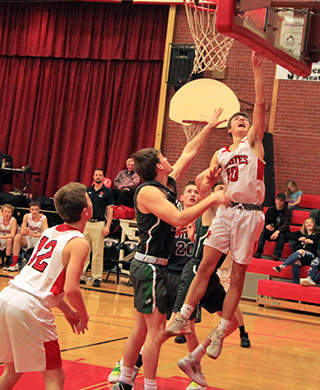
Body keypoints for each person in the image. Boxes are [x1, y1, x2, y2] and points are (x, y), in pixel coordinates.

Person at [112, 111, 229, 390]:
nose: (169, 159)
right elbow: (179, 219)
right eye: (164, 157)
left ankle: (124, 380)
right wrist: (212, 196)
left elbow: (190, 150)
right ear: (158, 166)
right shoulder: (148, 192)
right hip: (150, 266)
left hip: (155, 265)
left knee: (142, 329)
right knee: (154, 332)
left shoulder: (166, 182)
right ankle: (149, 385)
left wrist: (209, 128)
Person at [166, 51, 266, 361]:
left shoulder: (254, 143)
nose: (242, 120)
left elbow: (261, 106)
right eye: (238, 119)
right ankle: (184, 313)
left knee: (236, 277)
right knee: (205, 267)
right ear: (228, 128)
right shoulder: (221, 154)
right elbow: (205, 184)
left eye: (245, 120)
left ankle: (221, 330)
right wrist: (208, 179)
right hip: (225, 212)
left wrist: (256, 70)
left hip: (250, 214)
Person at [0, 182, 91, 390]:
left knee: (12, 370)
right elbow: (71, 289)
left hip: (8, 296)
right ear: (86, 211)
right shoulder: (78, 242)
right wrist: (83, 314)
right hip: (30, 307)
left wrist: (67, 311)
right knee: (54, 377)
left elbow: (43, 279)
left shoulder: (50, 231)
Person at [80, 169, 114, 288]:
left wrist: (108, 225)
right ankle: (82, 276)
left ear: (103, 177)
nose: (98, 176)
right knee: (84, 251)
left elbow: (110, 210)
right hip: (87, 223)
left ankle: (97, 277)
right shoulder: (87, 190)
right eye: (96, 174)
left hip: (99, 223)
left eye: (100, 175)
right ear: (93, 176)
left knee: (97, 253)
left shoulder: (107, 192)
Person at [273, 217, 319, 283]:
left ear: (314, 225)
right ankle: (296, 283)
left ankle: (282, 266)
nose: (309, 224)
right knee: (296, 261)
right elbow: (288, 235)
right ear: (304, 225)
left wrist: (313, 242)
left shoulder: (317, 234)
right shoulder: (301, 234)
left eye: (311, 222)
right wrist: (298, 239)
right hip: (301, 256)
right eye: (307, 223)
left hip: (311, 256)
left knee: (301, 251)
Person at [7, 200, 48, 272]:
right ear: (30, 210)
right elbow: (22, 231)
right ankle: (14, 262)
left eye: (36, 209)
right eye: (32, 209)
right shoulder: (26, 216)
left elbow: (46, 233)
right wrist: (26, 231)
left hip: (39, 239)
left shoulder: (43, 218)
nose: (34, 211)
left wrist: (34, 234)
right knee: (18, 236)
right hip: (29, 238)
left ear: (39, 210)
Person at [253, 192, 292, 261]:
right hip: (271, 231)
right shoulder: (270, 209)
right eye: (278, 200)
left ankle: (277, 254)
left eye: (281, 200)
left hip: (281, 233)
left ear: (284, 202)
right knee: (263, 231)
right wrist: (266, 226)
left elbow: (286, 225)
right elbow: (264, 221)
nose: (279, 202)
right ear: (275, 200)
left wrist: (278, 231)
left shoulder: (288, 212)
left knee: (282, 235)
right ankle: (259, 251)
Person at [0, 204, 17, 268]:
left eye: (9, 212)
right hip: (2, 237)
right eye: (5, 212)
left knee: (9, 240)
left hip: (11, 238)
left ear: (11, 213)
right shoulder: (0, 219)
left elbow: (12, 235)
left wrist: (1, 237)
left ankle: (7, 261)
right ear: (2, 212)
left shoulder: (13, 220)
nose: (7, 214)